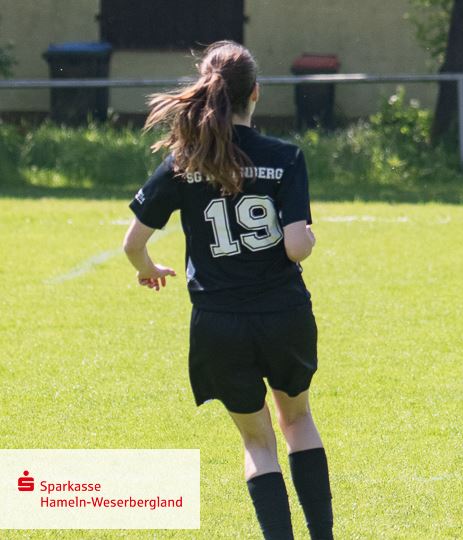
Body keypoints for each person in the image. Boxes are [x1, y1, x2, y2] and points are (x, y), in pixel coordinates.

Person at [122, 41, 333, 539]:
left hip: (219, 322)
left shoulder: (184, 160)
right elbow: (298, 247)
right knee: (297, 422)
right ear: (255, 94)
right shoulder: (285, 156)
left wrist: (147, 267)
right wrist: (304, 235)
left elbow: (133, 243)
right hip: (283, 313)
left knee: (258, 444)